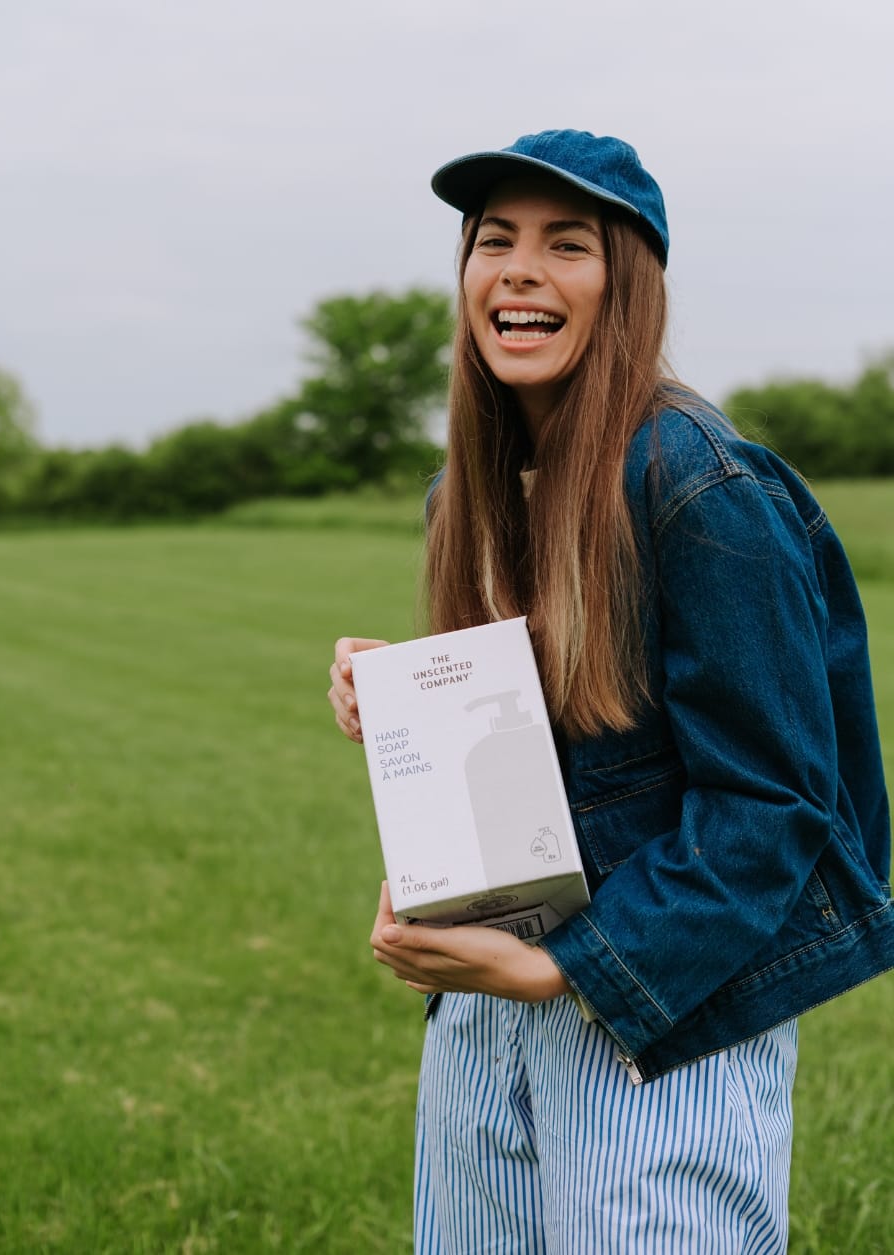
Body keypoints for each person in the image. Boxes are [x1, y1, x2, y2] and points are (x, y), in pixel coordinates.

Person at [326, 129, 892, 1254]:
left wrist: (556, 968)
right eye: (494, 241)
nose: (519, 269)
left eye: (565, 244)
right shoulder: (467, 495)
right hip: (487, 1002)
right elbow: (554, 742)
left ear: (626, 285)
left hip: (659, 1004)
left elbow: (774, 807)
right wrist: (404, 700)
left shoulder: (702, 486)